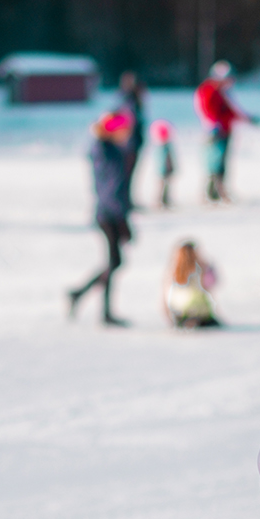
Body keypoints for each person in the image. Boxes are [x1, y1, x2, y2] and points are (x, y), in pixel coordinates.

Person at [68, 111, 135, 327]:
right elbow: (111, 188)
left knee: (114, 261)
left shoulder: (110, 149)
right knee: (114, 261)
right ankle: (93, 304)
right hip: (109, 214)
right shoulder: (106, 151)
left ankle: (85, 298)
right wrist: (121, 218)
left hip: (110, 212)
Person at [194, 61, 257, 202]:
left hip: (224, 131)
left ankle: (218, 191)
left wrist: (248, 119)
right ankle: (211, 192)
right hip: (215, 132)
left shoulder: (223, 92)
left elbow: (231, 111)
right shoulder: (208, 90)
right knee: (213, 162)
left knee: (221, 162)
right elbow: (204, 109)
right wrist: (212, 124)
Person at [163, 240, 219, 329]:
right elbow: (212, 283)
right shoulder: (199, 269)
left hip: (179, 313)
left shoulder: (172, 271)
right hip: (200, 313)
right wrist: (208, 267)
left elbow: (164, 298)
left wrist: (169, 317)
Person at [119, 71, 146, 207]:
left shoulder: (129, 101)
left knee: (128, 174)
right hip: (129, 145)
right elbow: (130, 123)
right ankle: (124, 201)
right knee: (126, 174)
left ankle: (126, 200)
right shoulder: (130, 102)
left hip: (132, 143)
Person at [151, 120, 176, 208]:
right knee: (161, 187)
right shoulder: (161, 148)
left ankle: (164, 200)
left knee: (165, 187)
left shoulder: (165, 147)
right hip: (162, 171)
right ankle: (160, 201)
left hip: (165, 170)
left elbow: (169, 159)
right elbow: (162, 160)